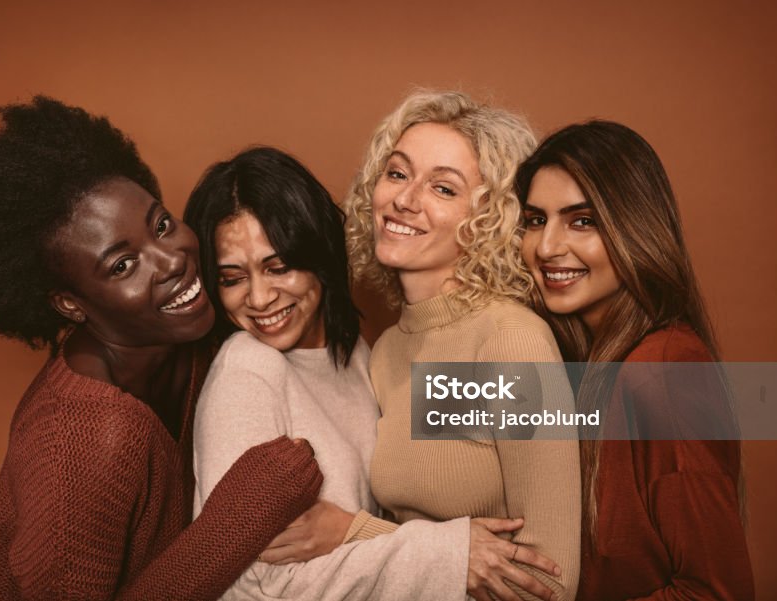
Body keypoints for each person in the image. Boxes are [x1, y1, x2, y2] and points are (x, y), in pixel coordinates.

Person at [0, 96, 323, 601]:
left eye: (161, 225)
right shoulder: (83, 441)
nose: (171, 261)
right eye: (122, 266)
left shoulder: (197, 337)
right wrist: (234, 522)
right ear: (72, 305)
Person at [185, 146, 560, 600]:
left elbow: (548, 572)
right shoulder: (247, 368)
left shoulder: (366, 357)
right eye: (232, 278)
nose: (260, 298)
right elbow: (256, 585)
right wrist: (449, 554)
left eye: (278, 267)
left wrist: (358, 531)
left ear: (317, 253)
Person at [344, 90, 581, 601]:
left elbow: (549, 583)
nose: (405, 200)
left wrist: (352, 532)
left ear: (489, 218)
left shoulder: (510, 342)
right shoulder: (385, 351)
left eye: (443, 189)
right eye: (398, 173)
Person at [515, 120, 755, 600]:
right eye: (536, 220)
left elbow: (714, 592)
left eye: (582, 221)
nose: (546, 248)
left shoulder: (663, 372)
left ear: (635, 228)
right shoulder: (588, 365)